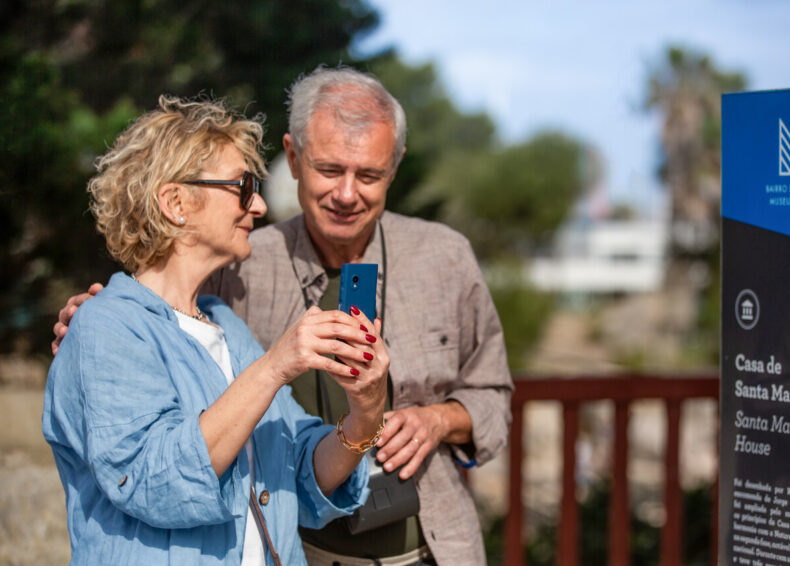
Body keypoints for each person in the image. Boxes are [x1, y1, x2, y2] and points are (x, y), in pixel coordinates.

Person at [53, 66, 513, 566]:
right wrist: (98, 319)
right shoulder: (235, 269)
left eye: (370, 175)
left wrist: (396, 416)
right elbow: (155, 307)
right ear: (293, 157)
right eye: (330, 170)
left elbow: (299, 458)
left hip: (432, 548)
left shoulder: (444, 257)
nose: (346, 193)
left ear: (395, 166)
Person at [43, 94, 390, 566]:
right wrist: (275, 366)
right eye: (244, 186)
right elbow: (154, 482)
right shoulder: (106, 327)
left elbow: (301, 468)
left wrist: (365, 410)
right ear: (175, 202)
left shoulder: (225, 324)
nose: (262, 205)